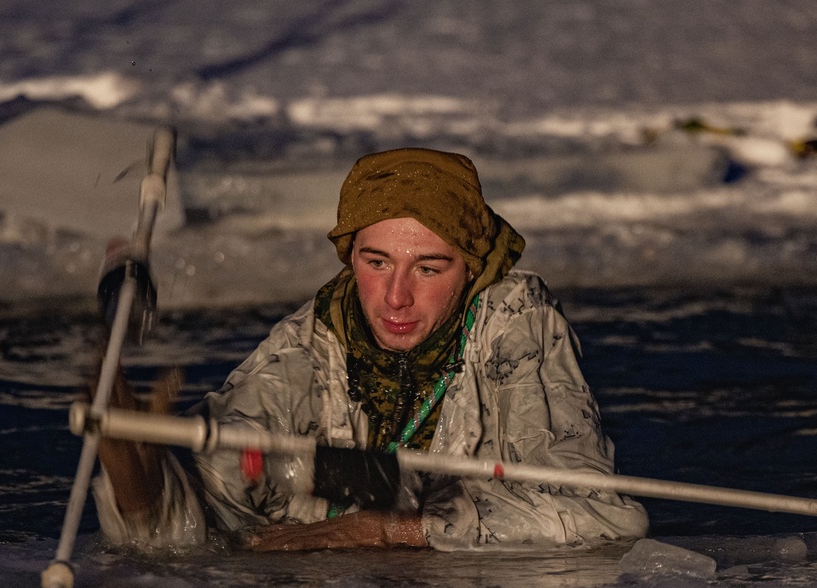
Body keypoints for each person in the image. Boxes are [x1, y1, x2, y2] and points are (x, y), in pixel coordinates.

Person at [93, 148, 650, 552]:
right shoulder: (309, 341)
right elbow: (211, 511)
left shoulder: (516, 320)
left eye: (429, 268)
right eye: (375, 262)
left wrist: (387, 530)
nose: (395, 297)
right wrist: (142, 487)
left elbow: (597, 512)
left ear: (473, 267)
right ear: (349, 256)